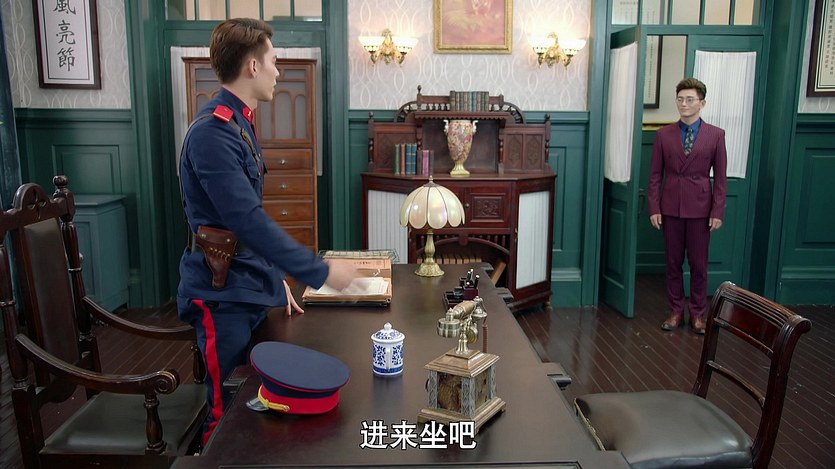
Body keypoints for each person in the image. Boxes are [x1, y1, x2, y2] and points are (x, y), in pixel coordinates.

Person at [177, 18, 358, 444]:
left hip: (245, 283)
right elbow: (247, 220)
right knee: (225, 413)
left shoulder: (237, 122)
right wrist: (320, 271)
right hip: (222, 294)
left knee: (256, 404)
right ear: (253, 66)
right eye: (274, 61)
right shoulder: (213, 133)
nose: (279, 71)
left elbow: (243, 219)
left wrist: (274, 277)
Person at [647, 77, 727, 335]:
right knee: (672, 263)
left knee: (698, 265)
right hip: (670, 207)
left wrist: (717, 211)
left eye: (690, 99)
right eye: (680, 99)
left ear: (702, 103)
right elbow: (655, 175)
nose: (684, 104)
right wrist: (654, 207)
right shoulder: (663, 135)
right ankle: (675, 311)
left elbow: (721, 178)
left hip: (701, 209)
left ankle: (698, 314)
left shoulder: (716, 135)